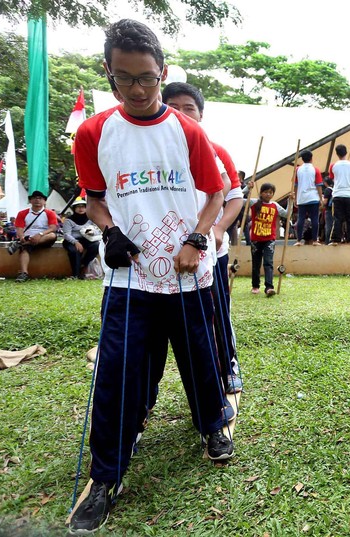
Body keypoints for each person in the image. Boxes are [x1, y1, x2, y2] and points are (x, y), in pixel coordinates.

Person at [69, 19, 232, 534]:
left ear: (163, 72)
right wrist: (110, 230)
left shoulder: (187, 131)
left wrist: (197, 240)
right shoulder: (95, 132)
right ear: (109, 74)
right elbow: (94, 198)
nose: (138, 90)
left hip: (186, 273)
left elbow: (213, 195)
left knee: (198, 357)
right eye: (125, 79)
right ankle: (105, 475)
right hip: (129, 277)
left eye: (147, 78)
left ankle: (212, 426)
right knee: (116, 370)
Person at [162, 81, 245, 397]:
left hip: (209, 250)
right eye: (173, 106)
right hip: (165, 252)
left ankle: (228, 368)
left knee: (217, 309)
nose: (181, 114)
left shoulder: (215, 150)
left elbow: (233, 197)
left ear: (200, 114)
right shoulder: (155, 151)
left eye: (189, 108)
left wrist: (219, 228)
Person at [246, 181, 287, 296]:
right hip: (256, 238)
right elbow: (240, 200)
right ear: (261, 193)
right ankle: (255, 286)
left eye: (270, 192)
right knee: (256, 263)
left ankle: (269, 287)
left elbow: (287, 213)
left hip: (269, 239)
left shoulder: (275, 205)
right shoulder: (254, 203)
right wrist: (247, 189)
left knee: (268, 263)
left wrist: (290, 201)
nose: (268, 195)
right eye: (266, 192)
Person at [12, 190, 58, 282]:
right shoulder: (22, 213)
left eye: (40, 198)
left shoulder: (50, 213)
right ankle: (24, 273)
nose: (37, 200)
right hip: (28, 239)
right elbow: (19, 228)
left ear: (44, 201)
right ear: (30, 201)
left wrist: (40, 235)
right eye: (35, 198)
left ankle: (25, 243)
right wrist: (21, 237)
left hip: (44, 239)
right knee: (24, 249)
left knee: (52, 235)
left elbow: (53, 228)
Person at [62, 197, 102, 279]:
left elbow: (98, 230)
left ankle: (83, 264)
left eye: (83, 206)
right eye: (78, 207)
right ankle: (75, 275)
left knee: (96, 245)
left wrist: (92, 232)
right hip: (71, 241)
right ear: (74, 208)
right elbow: (66, 234)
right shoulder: (68, 220)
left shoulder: (90, 218)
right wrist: (75, 242)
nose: (81, 209)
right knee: (74, 251)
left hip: (87, 239)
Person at [329, 144, 350, 245]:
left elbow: (332, 178)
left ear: (336, 154)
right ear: (346, 152)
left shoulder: (333, 166)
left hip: (338, 194)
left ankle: (335, 240)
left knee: (337, 218)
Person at [293, 150, 324, 245]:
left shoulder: (298, 170)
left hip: (302, 198)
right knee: (314, 219)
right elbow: (318, 185)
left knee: (301, 219)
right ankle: (315, 240)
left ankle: (298, 240)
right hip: (313, 197)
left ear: (302, 159)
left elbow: (295, 185)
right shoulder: (315, 170)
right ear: (311, 158)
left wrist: (295, 198)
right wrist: (320, 198)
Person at [322, 175, 334, 244]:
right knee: (332, 225)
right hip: (334, 209)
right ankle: (332, 239)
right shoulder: (334, 189)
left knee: (328, 225)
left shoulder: (327, 190)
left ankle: (327, 241)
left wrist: (322, 198)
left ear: (326, 182)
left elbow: (325, 202)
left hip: (328, 210)